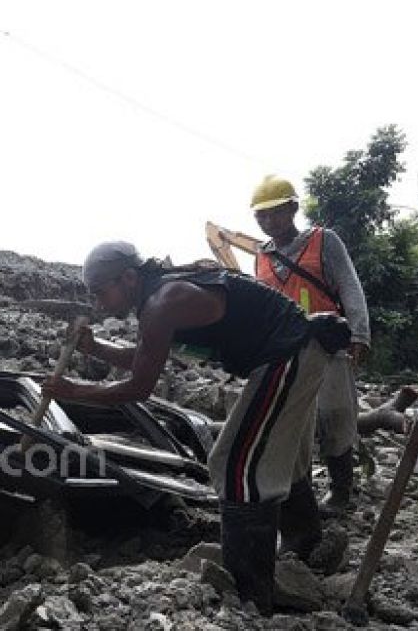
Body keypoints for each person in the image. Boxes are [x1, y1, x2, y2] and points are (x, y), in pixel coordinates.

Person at [41, 242, 350, 614]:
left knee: (237, 464)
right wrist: (95, 349)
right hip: (292, 349)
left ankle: (251, 592)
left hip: (289, 352)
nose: (99, 305)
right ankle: (305, 546)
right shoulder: (157, 298)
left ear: (128, 277)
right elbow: (145, 357)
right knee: (276, 454)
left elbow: (140, 387)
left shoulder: (162, 303)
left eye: (100, 292)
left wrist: (73, 392)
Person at [251, 175, 371, 514]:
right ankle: (294, 495)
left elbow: (350, 286)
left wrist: (359, 335)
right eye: (260, 216)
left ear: (292, 208)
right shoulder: (261, 257)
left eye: (274, 213)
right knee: (290, 424)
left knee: (336, 414)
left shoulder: (323, 241)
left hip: (327, 344)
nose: (267, 221)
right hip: (284, 352)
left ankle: (341, 491)